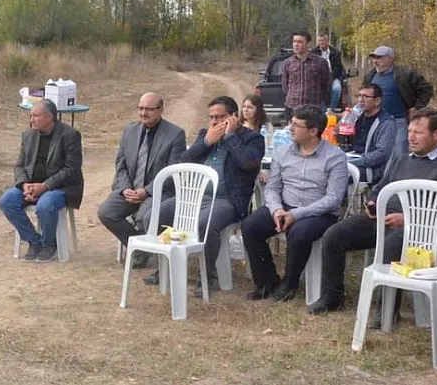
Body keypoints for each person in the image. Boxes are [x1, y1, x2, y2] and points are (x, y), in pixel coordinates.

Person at [309, 109, 437, 314]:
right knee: (334, 235)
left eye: (418, 132)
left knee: (391, 245)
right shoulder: (402, 159)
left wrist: (408, 220)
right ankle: (332, 296)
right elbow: (381, 186)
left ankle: (386, 310)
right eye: (409, 131)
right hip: (382, 219)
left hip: (422, 232)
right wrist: (373, 203)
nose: (411, 137)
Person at [154, 97, 264, 292]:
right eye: (211, 117)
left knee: (206, 222)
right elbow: (183, 162)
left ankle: (208, 276)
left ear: (233, 117)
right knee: (159, 213)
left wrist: (230, 137)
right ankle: (164, 267)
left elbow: (248, 164)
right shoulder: (207, 134)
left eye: (219, 117)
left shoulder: (252, 138)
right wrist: (205, 142)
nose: (214, 122)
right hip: (195, 196)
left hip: (227, 200)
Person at [240, 106, 348, 302]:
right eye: (291, 122)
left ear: (313, 131)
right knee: (250, 226)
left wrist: (296, 215)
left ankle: (289, 284)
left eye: (296, 125)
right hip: (284, 206)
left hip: (319, 213)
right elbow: (272, 188)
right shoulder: (283, 152)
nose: (290, 128)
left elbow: (333, 198)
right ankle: (267, 281)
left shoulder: (335, 156)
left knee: (299, 233)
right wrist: (276, 210)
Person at [96, 92, 186, 268]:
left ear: (161, 110)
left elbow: (173, 172)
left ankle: (143, 249)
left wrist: (146, 191)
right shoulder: (130, 130)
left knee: (145, 217)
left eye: (149, 109)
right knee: (106, 212)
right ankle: (140, 248)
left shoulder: (175, 135)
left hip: (156, 192)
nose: (144, 113)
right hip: (129, 190)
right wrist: (124, 188)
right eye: (141, 108)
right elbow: (120, 164)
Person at [0, 100, 84, 262]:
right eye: (31, 116)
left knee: (45, 205)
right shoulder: (28, 135)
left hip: (60, 188)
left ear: (50, 117)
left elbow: (71, 169)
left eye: (36, 116)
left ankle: (50, 244)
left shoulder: (70, 135)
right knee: (7, 201)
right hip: (31, 185)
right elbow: (19, 166)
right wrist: (24, 185)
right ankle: (34, 241)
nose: (31, 120)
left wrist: (45, 186)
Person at [363, 45, 433, 176]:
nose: (375, 61)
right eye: (374, 57)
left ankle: (398, 183)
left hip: (398, 120)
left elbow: (426, 89)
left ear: (390, 59)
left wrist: (417, 107)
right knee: (375, 153)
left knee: (399, 155)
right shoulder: (370, 75)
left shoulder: (405, 73)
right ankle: (378, 182)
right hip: (376, 122)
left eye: (380, 57)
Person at [348, 83, 397, 184]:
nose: (361, 100)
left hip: (372, 170)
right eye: (359, 96)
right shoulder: (357, 116)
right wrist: (346, 120)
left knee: (337, 175)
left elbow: (382, 154)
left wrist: (354, 162)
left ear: (377, 101)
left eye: (365, 96)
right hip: (352, 159)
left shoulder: (386, 123)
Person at [282, 31, 331, 117]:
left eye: (300, 42)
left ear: (308, 43)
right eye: (294, 41)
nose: (296, 44)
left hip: (313, 109)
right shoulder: (287, 63)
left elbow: (326, 85)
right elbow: (285, 86)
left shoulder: (320, 62)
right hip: (292, 108)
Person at [312, 34, 346, 109]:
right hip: (318, 77)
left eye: (323, 41)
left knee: (337, 88)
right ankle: (320, 110)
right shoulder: (313, 52)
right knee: (317, 90)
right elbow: (312, 67)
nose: (321, 43)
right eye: (319, 41)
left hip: (332, 76)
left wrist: (330, 78)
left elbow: (338, 68)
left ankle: (331, 110)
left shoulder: (336, 52)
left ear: (327, 41)